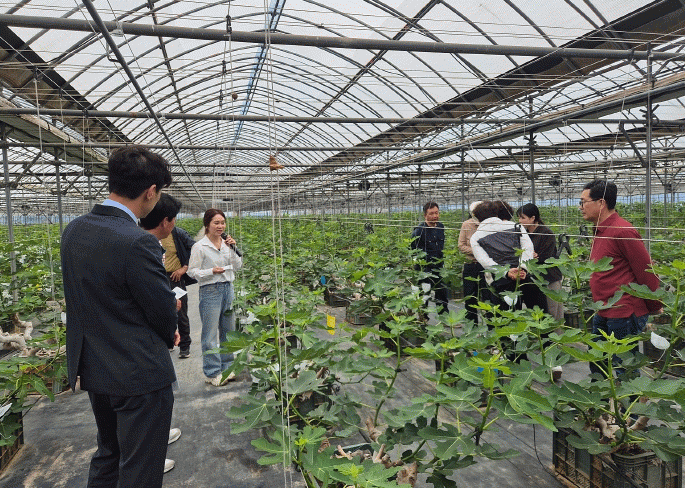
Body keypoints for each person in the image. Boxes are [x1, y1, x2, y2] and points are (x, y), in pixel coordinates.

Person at [60, 145, 179, 487]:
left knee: (109, 455)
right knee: (140, 469)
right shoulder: (137, 241)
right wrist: (170, 332)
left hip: (96, 368)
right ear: (150, 192)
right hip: (138, 373)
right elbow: (161, 309)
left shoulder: (74, 230)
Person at [580, 180, 661, 379]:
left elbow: (645, 271)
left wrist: (654, 304)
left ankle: (630, 400)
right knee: (597, 363)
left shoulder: (622, 231)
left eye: (583, 202)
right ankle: (601, 398)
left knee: (624, 367)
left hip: (624, 311)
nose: (580, 207)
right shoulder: (600, 230)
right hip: (603, 308)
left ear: (601, 203)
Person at [139, 192, 189, 474]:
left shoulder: (143, 242)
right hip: (143, 341)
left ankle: (157, 437)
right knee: (150, 397)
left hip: (144, 338)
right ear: (166, 221)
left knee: (157, 396)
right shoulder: (142, 246)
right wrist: (170, 314)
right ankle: (149, 460)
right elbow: (151, 297)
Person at [187, 209, 243, 386]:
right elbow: (192, 272)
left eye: (222, 223)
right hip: (210, 290)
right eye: (216, 223)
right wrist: (211, 271)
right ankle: (212, 372)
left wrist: (233, 248)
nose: (220, 226)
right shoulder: (199, 247)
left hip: (228, 288)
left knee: (228, 331)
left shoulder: (227, 244)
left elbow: (237, 266)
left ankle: (227, 367)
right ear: (207, 225)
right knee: (210, 335)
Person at [470, 200, 548, 313]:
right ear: (496, 213)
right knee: (539, 313)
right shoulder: (515, 226)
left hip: (502, 281)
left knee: (508, 317)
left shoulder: (476, 237)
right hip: (525, 276)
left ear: (477, 217)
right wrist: (522, 268)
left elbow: (485, 261)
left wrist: (507, 272)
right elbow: (528, 247)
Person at [152, 197, 198, 359]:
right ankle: (169, 341)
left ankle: (185, 345)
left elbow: (196, 249)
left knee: (181, 313)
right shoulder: (148, 234)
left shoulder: (178, 234)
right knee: (160, 312)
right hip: (158, 278)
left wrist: (184, 268)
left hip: (175, 278)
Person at [517, 203, 563, 321]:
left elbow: (547, 257)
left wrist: (533, 256)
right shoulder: (523, 234)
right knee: (539, 313)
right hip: (534, 279)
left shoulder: (546, 233)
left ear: (533, 218)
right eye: (519, 217)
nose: (520, 221)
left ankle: (555, 333)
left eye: (522, 217)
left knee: (552, 312)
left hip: (549, 278)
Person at [410, 201, 447, 313]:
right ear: (425, 215)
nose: (435, 216)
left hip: (438, 267)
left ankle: (444, 316)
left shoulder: (440, 226)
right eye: (431, 213)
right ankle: (423, 318)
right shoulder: (419, 230)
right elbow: (413, 249)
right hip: (424, 268)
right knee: (423, 295)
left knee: (442, 295)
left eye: (436, 213)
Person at [458, 201, 483, 324]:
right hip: (471, 265)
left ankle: (490, 326)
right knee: (470, 296)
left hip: (485, 266)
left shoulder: (489, 225)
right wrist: (477, 251)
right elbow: (461, 245)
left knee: (487, 296)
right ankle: (472, 325)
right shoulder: (466, 225)